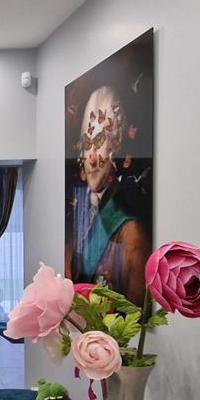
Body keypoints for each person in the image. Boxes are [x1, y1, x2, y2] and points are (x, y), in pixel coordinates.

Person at [65, 85, 151, 304]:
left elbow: (135, 311)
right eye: (88, 144)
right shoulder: (77, 216)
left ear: (116, 147)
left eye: (99, 142)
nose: (92, 158)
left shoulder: (131, 234)